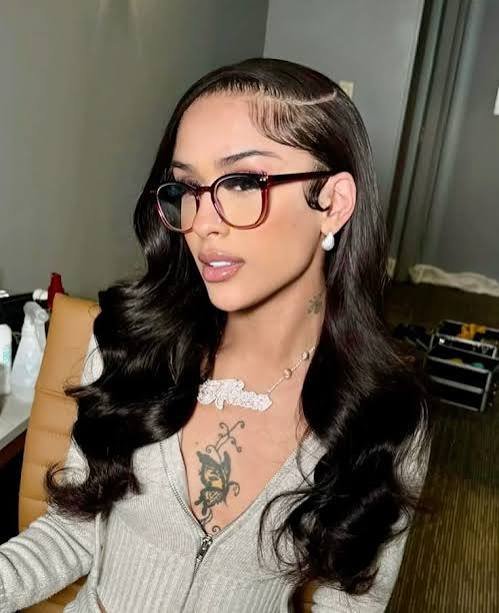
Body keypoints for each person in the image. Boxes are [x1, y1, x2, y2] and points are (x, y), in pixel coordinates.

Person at [0, 57, 432, 612]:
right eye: (188, 188)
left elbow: (351, 602)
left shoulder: (385, 412)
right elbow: (72, 532)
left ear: (332, 202)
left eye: (243, 182)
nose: (202, 222)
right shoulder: (134, 347)